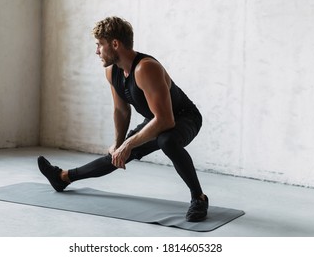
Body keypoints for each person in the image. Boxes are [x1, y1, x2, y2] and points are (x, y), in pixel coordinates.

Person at [38, 16, 208, 222]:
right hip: (156, 118)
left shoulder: (145, 68)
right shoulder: (112, 71)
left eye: (100, 45)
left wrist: (128, 144)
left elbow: (166, 121)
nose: (97, 51)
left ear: (115, 44)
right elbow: (121, 110)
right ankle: (61, 177)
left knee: (167, 140)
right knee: (120, 152)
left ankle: (198, 198)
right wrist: (119, 144)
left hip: (183, 117)